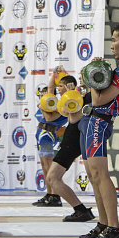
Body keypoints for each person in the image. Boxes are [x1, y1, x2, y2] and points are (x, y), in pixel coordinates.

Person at [79, 21, 119, 238]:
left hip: (99, 121)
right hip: (96, 121)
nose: (112, 45)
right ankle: (104, 224)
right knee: (93, 175)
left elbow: (97, 99)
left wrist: (93, 76)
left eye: (114, 40)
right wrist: (96, 76)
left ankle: (114, 228)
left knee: (100, 175)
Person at [45, 68, 96, 222]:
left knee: (53, 178)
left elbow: (74, 120)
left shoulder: (83, 97)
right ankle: (80, 209)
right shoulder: (78, 97)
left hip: (73, 142)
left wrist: (72, 99)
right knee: (53, 178)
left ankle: (80, 210)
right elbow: (50, 112)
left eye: (82, 77)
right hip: (70, 141)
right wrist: (55, 76)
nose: (58, 89)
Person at [32, 78, 68, 207]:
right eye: (41, 95)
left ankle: (55, 195)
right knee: (44, 166)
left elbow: (48, 118)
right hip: (41, 135)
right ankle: (49, 194)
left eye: (45, 95)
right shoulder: (49, 104)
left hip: (48, 135)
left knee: (49, 166)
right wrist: (54, 74)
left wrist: (42, 107)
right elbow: (51, 86)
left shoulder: (59, 106)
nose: (42, 97)